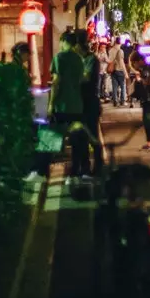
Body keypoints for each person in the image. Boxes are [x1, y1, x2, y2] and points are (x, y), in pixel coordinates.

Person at [49, 30, 89, 184]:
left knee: (50, 138)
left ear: (64, 41)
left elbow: (56, 81)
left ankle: (41, 171)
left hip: (62, 105)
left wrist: (51, 103)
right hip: (77, 105)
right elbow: (82, 79)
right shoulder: (79, 59)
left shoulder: (59, 57)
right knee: (77, 141)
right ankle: (76, 173)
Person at [75, 31, 104, 176]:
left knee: (92, 135)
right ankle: (85, 166)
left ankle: (99, 165)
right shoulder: (79, 60)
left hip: (90, 101)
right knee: (81, 136)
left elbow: (85, 79)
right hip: (80, 102)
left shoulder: (92, 60)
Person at [108, 40, 127, 107]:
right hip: (120, 70)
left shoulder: (110, 51)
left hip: (113, 71)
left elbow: (109, 61)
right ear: (120, 43)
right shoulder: (120, 51)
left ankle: (115, 101)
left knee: (114, 87)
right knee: (122, 86)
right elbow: (122, 62)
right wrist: (126, 73)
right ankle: (122, 101)